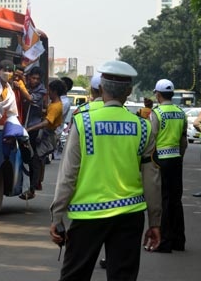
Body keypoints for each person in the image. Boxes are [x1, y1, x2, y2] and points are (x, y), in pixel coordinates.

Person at [50, 60, 161, 280]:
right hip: (129, 215)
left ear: (101, 89)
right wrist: (155, 221)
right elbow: (152, 179)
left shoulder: (84, 122)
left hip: (87, 214)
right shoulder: (142, 126)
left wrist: (57, 215)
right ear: (129, 92)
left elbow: (68, 175)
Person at [151, 79, 188, 253]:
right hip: (176, 159)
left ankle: (164, 242)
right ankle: (179, 240)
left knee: (164, 200)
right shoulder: (181, 113)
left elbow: (152, 139)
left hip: (161, 160)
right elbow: (183, 140)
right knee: (176, 200)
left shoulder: (157, 113)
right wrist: (179, 155)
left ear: (158, 94)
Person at [17, 66, 47, 198]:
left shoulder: (41, 90)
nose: (34, 81)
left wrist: (20, 86)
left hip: (33, 128)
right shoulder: (25, 84)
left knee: (33, 158)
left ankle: (33, 188)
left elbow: (30, 98)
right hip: (21, 126)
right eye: (32, 78)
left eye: (37, 79)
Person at [25, 79, 65, 173]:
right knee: (39, 158)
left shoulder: (56, 106)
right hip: (47, 133)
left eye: (50, 91)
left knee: (36, 159)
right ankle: (38, 182)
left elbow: (46, 122)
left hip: (48, 135)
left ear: (54, 91)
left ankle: (34, 185)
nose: (48, 93)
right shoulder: (54, 104)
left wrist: (30, 128)